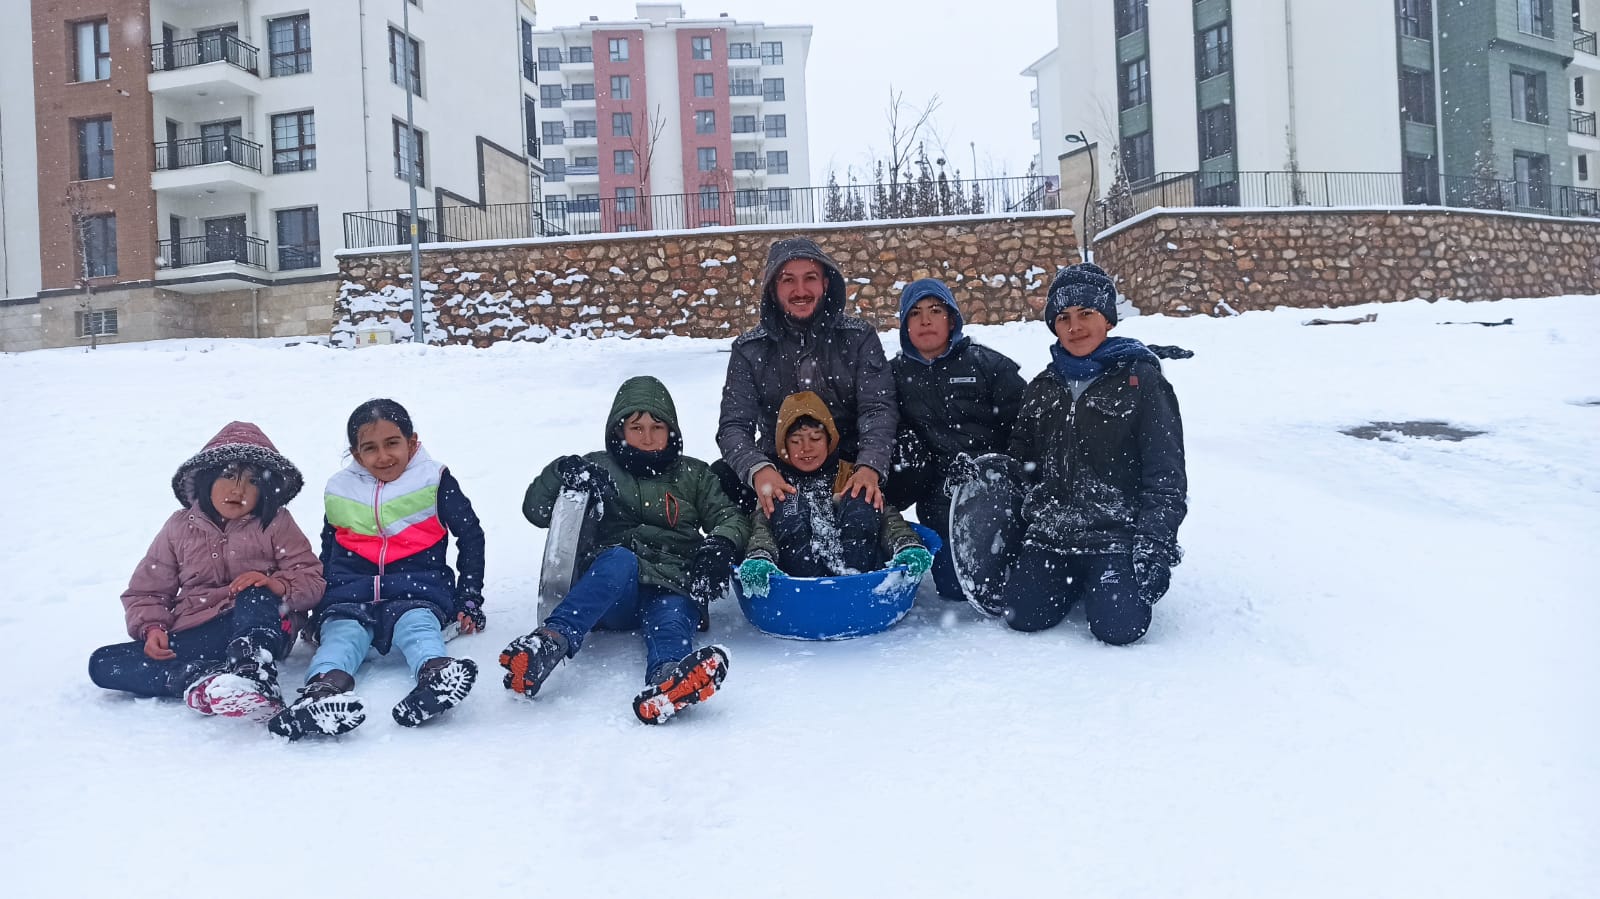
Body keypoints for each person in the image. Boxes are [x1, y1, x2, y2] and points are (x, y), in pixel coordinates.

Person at [500, 376, 750, 725]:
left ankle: (669, 680)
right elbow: (537, 511)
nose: (647, 437)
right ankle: (547, 644)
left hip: (674, 581)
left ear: (671, 430)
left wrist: (720, 544)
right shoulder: (598, 466)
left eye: (657, 426)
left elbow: (729, 516)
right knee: (619, 560)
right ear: (619, 431)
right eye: (636, 427)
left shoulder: (694, 474)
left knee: (672, 618)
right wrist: (561, 472)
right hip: (613, 591)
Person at [267, 399, 487, 740]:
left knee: (417, 628)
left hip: (417, 586)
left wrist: (469, 597)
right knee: (341, 638)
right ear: (356, 454)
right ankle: (321, 695)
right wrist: (318, 606)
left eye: (392, 443)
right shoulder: (340, 488)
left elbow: (470, 536)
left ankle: (436, 676)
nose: (383, 457)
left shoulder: (434, 479)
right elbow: (330, 548)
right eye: (370, 448)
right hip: (349, 590)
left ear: (412, 442)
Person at [1000, 263, 1187, 644]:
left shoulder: (1142, 380)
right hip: (1052, 531)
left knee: (1120, 628)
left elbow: (1165, 475)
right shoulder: (1042, 387)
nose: (1074, 327)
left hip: (1115, 532)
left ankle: (1102, 577)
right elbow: (1021, 462)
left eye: (1086, 313)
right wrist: (985, 473)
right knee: (1022, 616)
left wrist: (1155, 544)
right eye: (1064, 317)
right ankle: (1075, 578)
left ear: (1108, 320)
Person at [87, 422, 325, 720]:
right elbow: (147, 591)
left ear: (264, 490)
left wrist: (274, 584)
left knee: (254, 592)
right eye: (227, 476)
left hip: (262, 627)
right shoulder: (178, 527)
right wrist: (153, 628)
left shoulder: (276, 523)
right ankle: (202, 680)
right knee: (104, 663)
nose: (238, 489)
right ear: (207, 480)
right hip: (201, 632)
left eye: (251, 481)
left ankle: (255, 675)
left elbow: (312, 579)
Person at [715, 237, 898, 520]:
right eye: (788, 280)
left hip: (848, 465)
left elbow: (878, 409)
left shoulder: (859, 337)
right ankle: (757, 538)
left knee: (908, 459)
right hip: (780, 466)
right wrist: (759, 470)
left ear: (825, 283)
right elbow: (733, 426)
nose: (800, 290)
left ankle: (875, 519)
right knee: (722, 477)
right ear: (773, 289)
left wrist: (869, 466)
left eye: (810, 278)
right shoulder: (750, 349)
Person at [886, 278, 1028, 599]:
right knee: (955, 588)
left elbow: (1026, 427)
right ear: (904, 324)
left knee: (1010, 583)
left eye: (935, 310)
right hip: (939, 495)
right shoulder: (891, 376)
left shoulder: (988, 365)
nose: (925, 320)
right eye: (915, 313)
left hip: (995, 490)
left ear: (951, 319)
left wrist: (998, 469)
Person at [737, 391, 932, 598]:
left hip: (862, 569)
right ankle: (813, 583)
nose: (806, 448)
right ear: (783, 446)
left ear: (829, 440)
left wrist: (905, 543)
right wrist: (760, 556)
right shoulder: (777, 483)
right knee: (784, 502)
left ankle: (855, 578)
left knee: (862, 495)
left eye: (815, 438)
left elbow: (886, 517)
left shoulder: (851, 475)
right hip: (798, 582)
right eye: (795, 441)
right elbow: (761, 527)